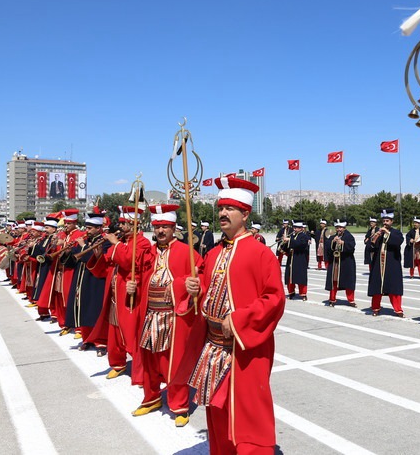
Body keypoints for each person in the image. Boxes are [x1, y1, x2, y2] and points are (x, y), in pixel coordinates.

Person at [179, 176, 285, 454]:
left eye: (230, 209)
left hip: (244, 347)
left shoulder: (261, 254)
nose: (223, 213)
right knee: (217, 412)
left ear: (245, 214)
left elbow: (274, 299)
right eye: (221, 208)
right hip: (213, 347)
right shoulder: (213, 254)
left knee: (249, 414)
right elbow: (206, 291)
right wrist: (195, 290)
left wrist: (238, 320)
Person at [129, 203, 201, 427]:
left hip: (173, 316)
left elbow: (199, 276)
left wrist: (183, 285)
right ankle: (151, 398)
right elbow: (140, 277)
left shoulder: (186, 252)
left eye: (165, 227)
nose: (160, 231)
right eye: (157, 227)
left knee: (174, 362)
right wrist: (133, 286)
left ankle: (179, 405)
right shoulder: (147, 252)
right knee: (149, 360)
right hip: (150, 313)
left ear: (173, 228)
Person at [87, 205, 153, 381]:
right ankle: (117, 363)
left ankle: (141, 372)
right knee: (114, 333)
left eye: (124, 223)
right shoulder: (122, 242)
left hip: (131, 296)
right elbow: (106, 266)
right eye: (121, 223)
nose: (121, 227)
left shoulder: (142, 242)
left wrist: (116, 244)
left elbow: (128, 261)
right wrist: (98, 255)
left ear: (135, 224)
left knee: (132, 334)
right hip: (114, 295)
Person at [65, 211, 108, 344]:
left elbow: (97, 260)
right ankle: (87, 339)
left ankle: (100, 341)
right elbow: (72, 261)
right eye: (86, 228)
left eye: (90, 228)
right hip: (80, 279)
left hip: (95, 280)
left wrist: (83, 246)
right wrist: (68, 252)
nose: (87, 231)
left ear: (98, 228)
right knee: (83, 308)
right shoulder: (85, 240)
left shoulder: (105, 242)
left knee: (94, 310)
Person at [367, 209, 405, 317]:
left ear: (391, 221)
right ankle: (375, 308)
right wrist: (375, 237)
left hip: (392, 264)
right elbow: (370, 247)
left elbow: (398, 241)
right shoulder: (378, 232)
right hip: (378, 264)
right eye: (384, 221)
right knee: (377, 286)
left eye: (387, 221)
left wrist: (388, 233)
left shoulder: (396, 233)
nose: (385, 223)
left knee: (394, 286)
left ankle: (398, 309)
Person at [324, 219, 357, 307]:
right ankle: (332, 299)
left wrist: (343, 243)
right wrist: (333, 242)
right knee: (334, 281)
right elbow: (327, 247)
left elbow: (352, 248)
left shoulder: (349, 236)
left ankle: (351, 300)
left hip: (346, 263)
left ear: (344, 228)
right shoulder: (333, 236)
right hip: (335, 263)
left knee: (348, 282)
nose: (339, 229)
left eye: (340, 227)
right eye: (337, 227)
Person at [282, 221, 310, 300]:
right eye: (294, 227)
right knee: (290, 276)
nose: (294, 229)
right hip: (291, 258)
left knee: (301, 277)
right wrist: (284, 243)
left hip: (300, 259)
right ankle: (291, 292)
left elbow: (300, 244)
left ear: (301, 228)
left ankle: (303, 294)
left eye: (296, 228)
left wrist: (289, 240)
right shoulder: (292, 235)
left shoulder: (304, 236)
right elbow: (288, 247)